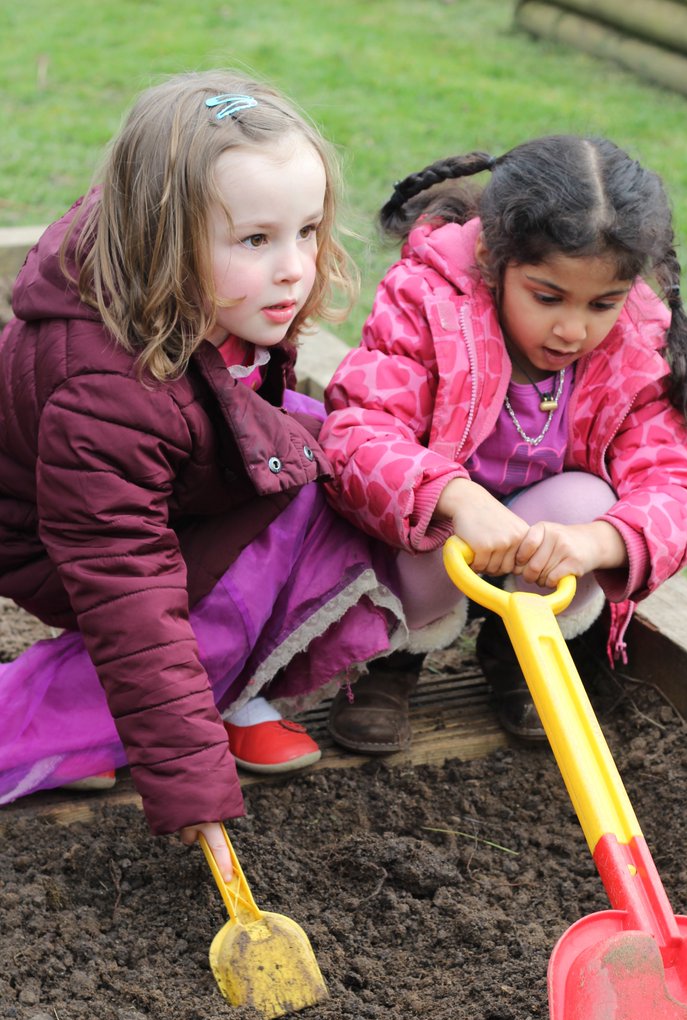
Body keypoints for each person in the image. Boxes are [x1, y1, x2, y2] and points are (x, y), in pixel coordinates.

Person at [0, 70, 406, 878]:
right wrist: (190, 781)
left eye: (308, 230)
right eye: (256, 240)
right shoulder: (107, 391)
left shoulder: (203, 302)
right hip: (59, 545)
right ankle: (54, 725)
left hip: (143, 498)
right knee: (193, 623)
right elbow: (129, 595)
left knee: (320, 453)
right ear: (161, 237)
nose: (294, 268)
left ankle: (218, 687)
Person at [320, 135, 687, 753]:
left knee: (587, 501)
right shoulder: (430, 299)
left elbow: (676, 485)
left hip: (539, 544)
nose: (573, 329)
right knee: (413, 515)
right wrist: (459, 500)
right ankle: (392, 661)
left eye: (602, 303)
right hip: (429, 536)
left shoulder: (632, 344)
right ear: (494, 255)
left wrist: (593, 542)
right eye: (547, 297)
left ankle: (519, 650)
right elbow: (358, 435)